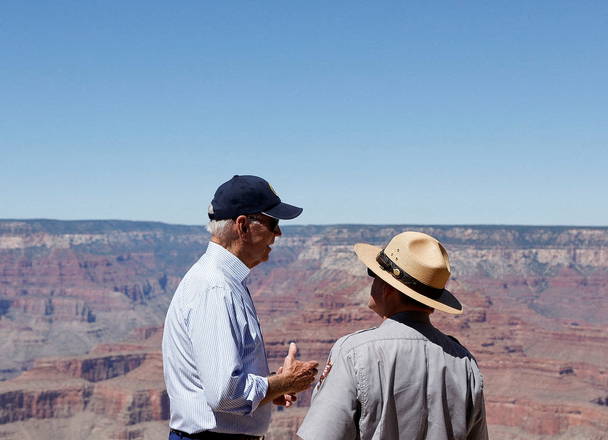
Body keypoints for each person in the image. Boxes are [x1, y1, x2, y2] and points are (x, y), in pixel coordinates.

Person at [162, 175, 318, 440]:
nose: (278, 233)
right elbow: (225, 394)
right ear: (243, 226)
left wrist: (270, 389)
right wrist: (283, 382)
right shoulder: (216, 288)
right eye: (273, 223)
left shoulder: (221, 280)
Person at [297, 231, 488, 440]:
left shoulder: (355, 352)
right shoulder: (465, 363)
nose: (371, 280)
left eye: (373, 273)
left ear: (389, 288)